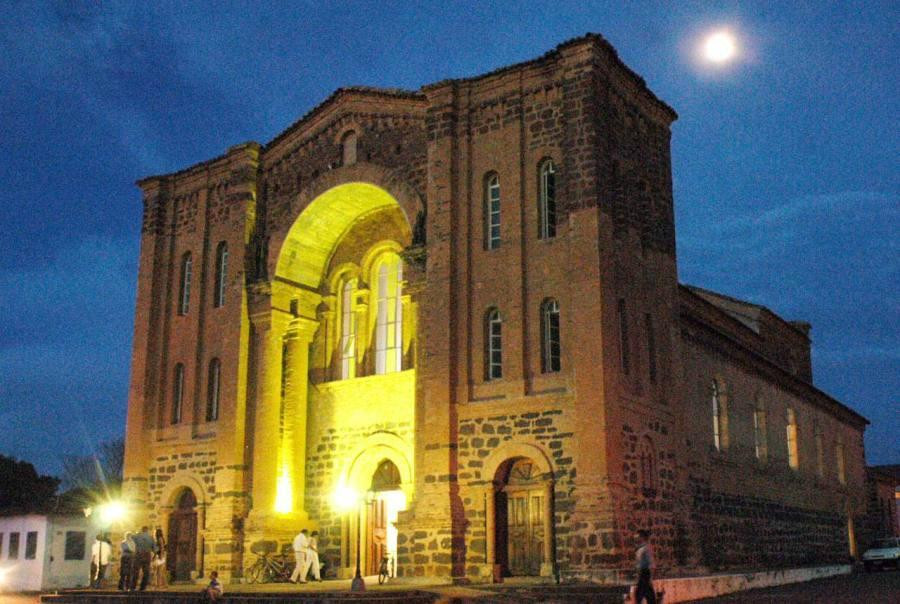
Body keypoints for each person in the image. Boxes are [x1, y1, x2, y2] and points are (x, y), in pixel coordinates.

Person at [633, 529, 656, 604]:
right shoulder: (640, 549)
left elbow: (651, 564)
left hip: (645, 574)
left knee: (639, 595)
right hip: (642, 574)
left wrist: (650, 578)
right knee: (648, 596)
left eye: (637, 536)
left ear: (642, 537)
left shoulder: (646, 549)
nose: (635, 537)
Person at [130, 526, 155, 591]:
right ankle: (143, 587)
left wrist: (137, 532)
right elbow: (154, 548)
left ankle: (133, 587)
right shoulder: (151, 537)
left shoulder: (137, 536)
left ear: (142, 530)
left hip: (138, 554)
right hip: (147, 555)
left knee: (135, 571)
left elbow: (131, 537)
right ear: (147, 530)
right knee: (146, 572)